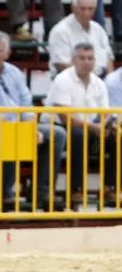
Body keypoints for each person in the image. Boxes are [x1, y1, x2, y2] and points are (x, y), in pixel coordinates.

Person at [0, 31, 67, 210]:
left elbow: (26, 102)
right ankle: (6, 191)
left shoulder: (14, 72)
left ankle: (42, 190)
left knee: (56, 133)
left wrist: (30, 126)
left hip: (18, 122)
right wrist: (17, 126)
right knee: (12, 133)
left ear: (7, 53)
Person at [45, 43, 116, 210]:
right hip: (62, 128)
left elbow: (105, 113)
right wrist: (94, 127)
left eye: (90, 58)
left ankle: (110, 187)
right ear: (73, 60)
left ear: (95, 61)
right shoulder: (62, 79)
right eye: (82, 58)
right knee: (78, 135)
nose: (86, 62)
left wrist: (103, 126)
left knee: (116, 136)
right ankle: (76, 189)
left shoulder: (99, 83)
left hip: (90, 128)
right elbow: (65, 117)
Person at [47, 0, 112, 75]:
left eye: (90, 9)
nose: (86, 13)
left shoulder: (99, 30)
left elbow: (108, 59)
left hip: (98, 82)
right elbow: (62, 66)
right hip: (69, 82)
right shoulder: (60, 31)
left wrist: (109, 82)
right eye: (82, 8)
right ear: (73, 8)